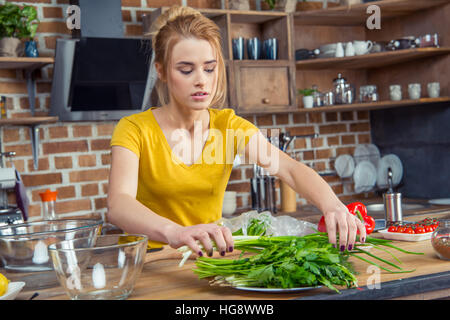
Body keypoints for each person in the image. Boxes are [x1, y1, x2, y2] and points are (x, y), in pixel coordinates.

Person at [107, 5, 366, 259]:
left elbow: (289, 169)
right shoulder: (134, 129)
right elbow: (118, 204)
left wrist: (333, 206)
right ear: (161, 71)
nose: (201, 80)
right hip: (146, 262)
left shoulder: (228, 127)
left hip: (204, 260)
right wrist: (175, 232)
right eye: (186, 70)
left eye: (209, 68)